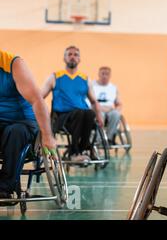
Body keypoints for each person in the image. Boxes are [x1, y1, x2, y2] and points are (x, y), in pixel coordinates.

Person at [0, 50, 56, 199]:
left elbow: (38, 100)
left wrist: (48, 136)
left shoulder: (13, 64)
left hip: (22, 122)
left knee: (15, 131)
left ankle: (4, 187)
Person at [41, 46, 104, 162]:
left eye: (76, 55)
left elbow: (94, 101)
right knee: (80, 113)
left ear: (79, 59)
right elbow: (39, 97)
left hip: (83, 116)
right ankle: (74, 153)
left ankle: (82, 149)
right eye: (69, 54)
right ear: (64, 58)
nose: (72, 57)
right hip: (62, 117)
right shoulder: (55, 76)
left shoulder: (85, 79)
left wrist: (99, 115)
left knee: (90, 113)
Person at [92, 66, 123, 145]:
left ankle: (109, 139)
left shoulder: (113, 87)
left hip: (109, 110)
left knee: (116, 114)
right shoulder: (92, 85)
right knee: (100, 114)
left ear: (110, 76)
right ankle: (98, 140)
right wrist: (98, 108)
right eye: (103, 74)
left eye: (107, 74)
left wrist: (117, 110)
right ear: (99, 74)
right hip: (96, 109)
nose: (105, 76)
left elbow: (119, 104)